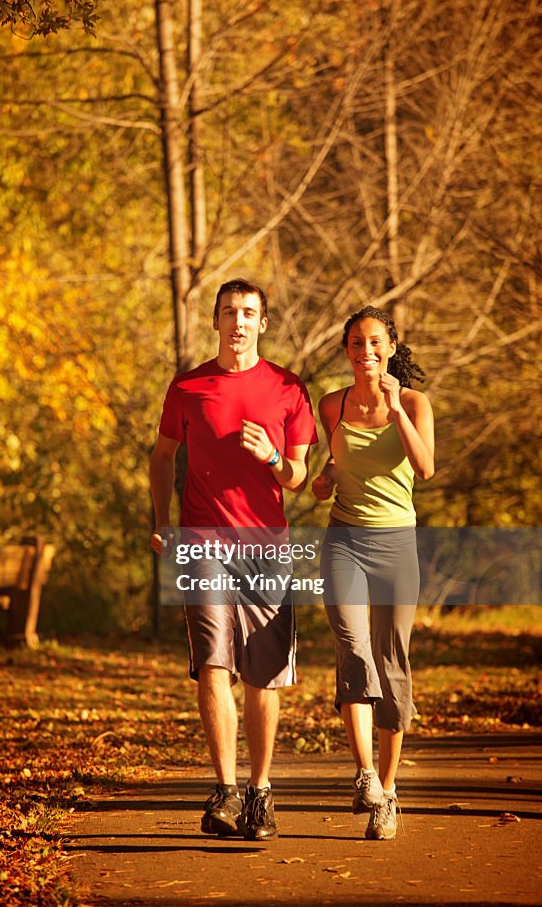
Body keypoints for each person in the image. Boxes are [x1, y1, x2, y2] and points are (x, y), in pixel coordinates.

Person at [150, 278, 317, 840]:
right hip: (203, 542)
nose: (238, 322)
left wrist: (272, 455)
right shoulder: (189, 386)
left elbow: (298, 477)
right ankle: (223, 791)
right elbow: (162, 454)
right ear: (216, 322)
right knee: (214, 665)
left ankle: (260, 793)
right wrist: (161, 521)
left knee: (263, 676)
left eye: (248, 313)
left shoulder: (288, 388)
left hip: (266, 547)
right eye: (229, 313)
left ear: (262, 323)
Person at [312, 305, 434, 840]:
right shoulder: (331, 404)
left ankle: (389, 792)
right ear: (347, 351)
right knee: (352, 647)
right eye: (357, 344)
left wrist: (394, 409)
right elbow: (338, 460)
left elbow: (425, 466)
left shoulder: (412, 402)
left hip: (396, 544)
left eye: (375, 343)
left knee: (392, 663)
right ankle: (364, 774)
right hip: (343, 538)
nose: (366, 352)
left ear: (390, 347)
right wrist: (326, 476)